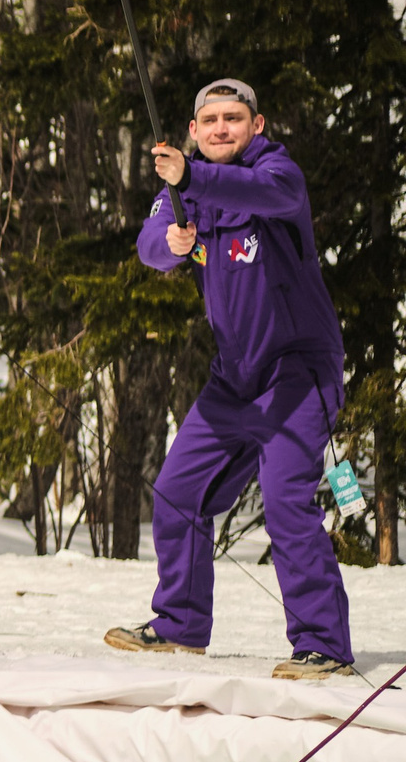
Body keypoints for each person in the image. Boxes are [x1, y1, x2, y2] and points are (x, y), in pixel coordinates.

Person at [105, 77, 352, 681]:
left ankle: (324, 646)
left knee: (286, 498)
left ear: (256, 125)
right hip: (235, 378)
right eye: (210, 120)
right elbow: (150, 244)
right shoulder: (183, 189)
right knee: (177, 491)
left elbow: (262, 194)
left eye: (233, 118)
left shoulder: (276, 174)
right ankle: (179, 625)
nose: (221, 128)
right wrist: (171, 241)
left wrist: (190, 177)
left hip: (298, 373)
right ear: (193, 130)